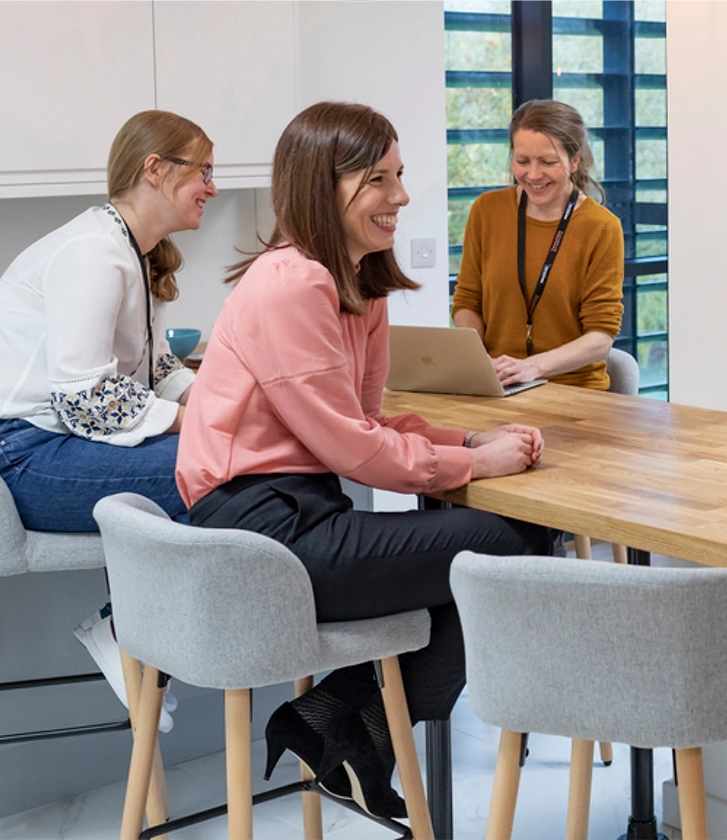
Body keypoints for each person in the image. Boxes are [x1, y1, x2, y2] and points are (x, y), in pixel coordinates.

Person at [175, 101, 554, 819]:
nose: (402, 197)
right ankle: (349, 722)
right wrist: (477, 468)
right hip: (260, 537)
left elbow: (368, 421)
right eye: (380, 180)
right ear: (326, 185)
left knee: (498, 557)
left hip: (304, 515)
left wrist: (465, 443)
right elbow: (351, 448)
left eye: (400, 176)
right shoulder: (293, 283)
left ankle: (341, 724)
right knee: (513, 545)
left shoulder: (358, 282)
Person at [0, 110, 218, 732]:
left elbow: (159, 370)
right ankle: (122, 622)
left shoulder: (133, 252)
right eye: (203, 170)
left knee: (231, 452)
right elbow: (84, 397)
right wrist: (202, 427)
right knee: (220, 468)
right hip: (11, 455)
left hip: (41, 445)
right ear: (154, 170)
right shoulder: (92, 252)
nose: (213, 185)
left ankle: (131, 623)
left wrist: (225, 407)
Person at [451, 99, 624, 390]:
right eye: (522, 161)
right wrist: (479, 360)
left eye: (547, 162)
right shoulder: (486, 210)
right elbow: (468, 301)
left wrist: (533, 366)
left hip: (575, 393)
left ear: (574, 160)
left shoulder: (601, 227)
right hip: (499, 386)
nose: (533, 175)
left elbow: (600, 337)